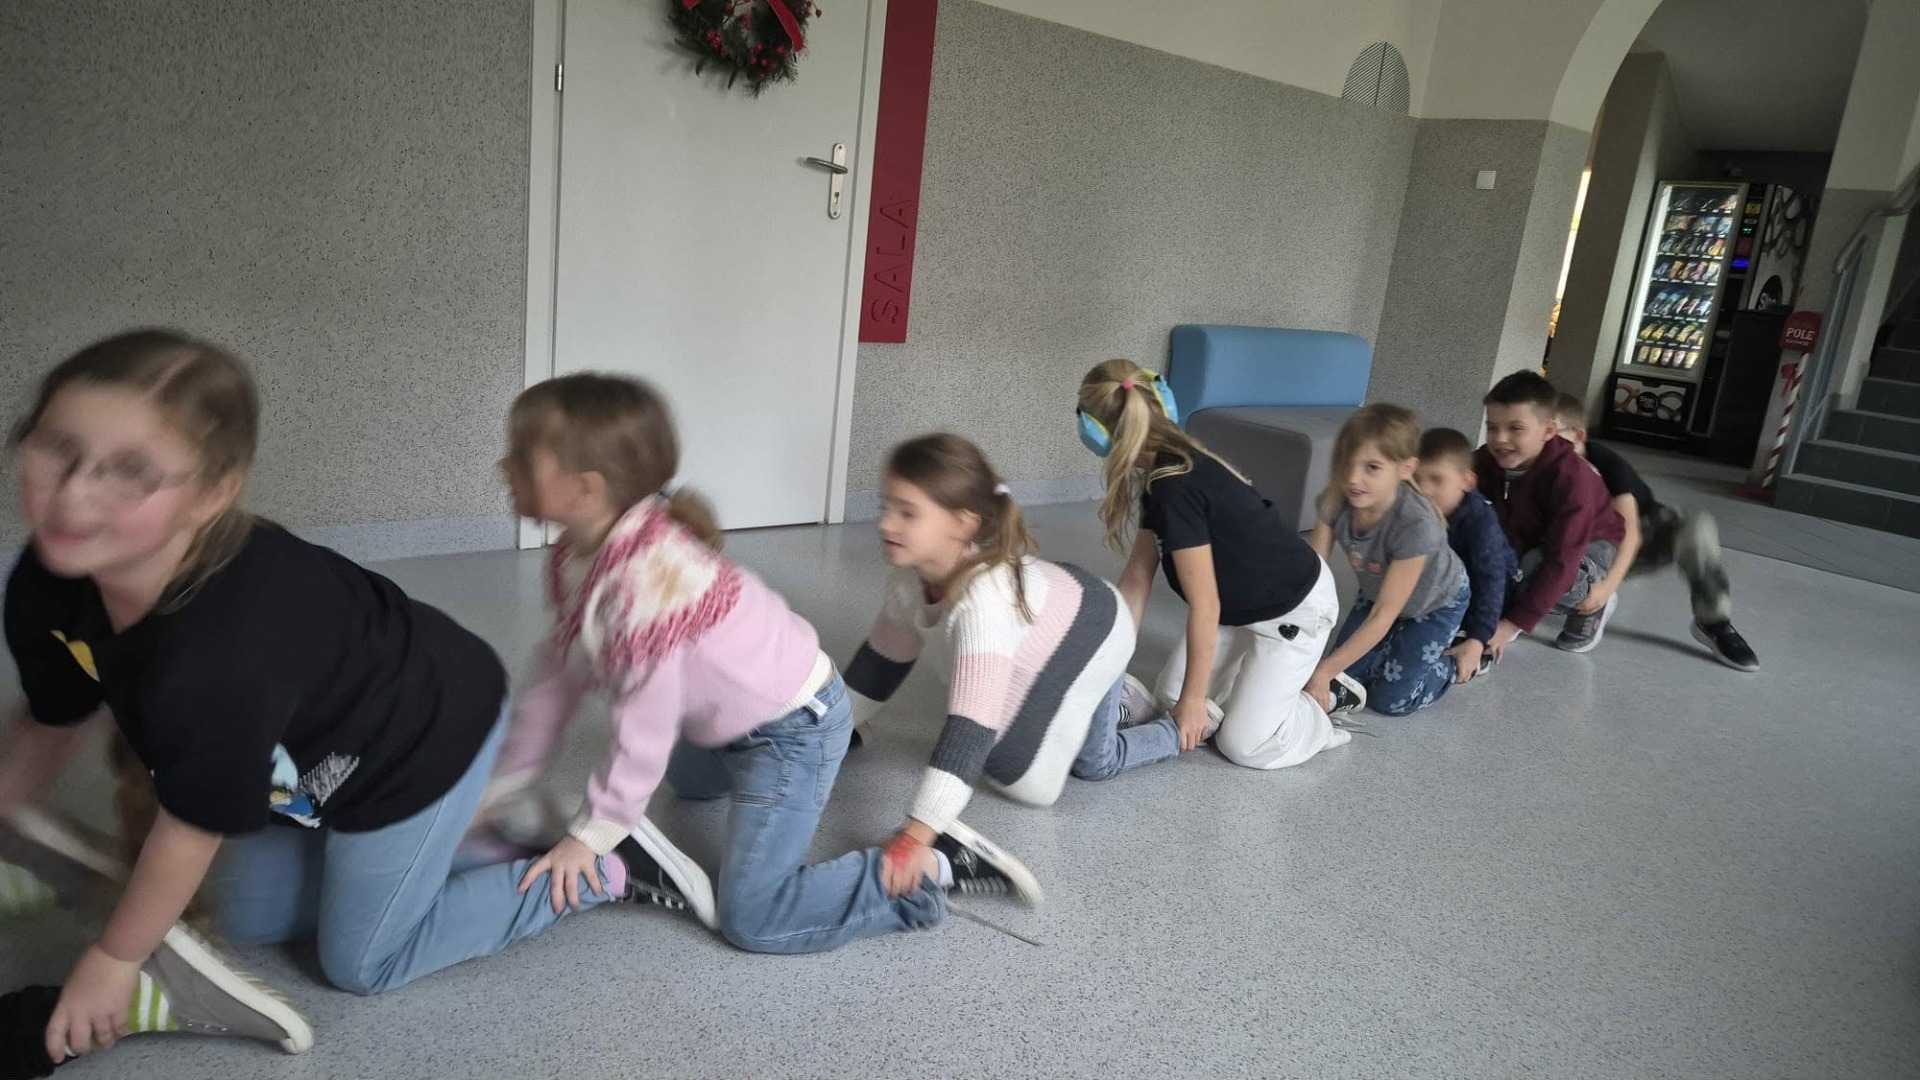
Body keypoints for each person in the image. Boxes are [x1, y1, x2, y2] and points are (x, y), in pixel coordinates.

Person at [0, 330, 678, 1050]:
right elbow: (54, 717)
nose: (74, 493)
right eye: (57, 448)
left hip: (424, 742)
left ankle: (603, 868)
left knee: (364, 961)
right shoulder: (49, 580)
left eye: (131, 470)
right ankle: (473, 842)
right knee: (246, 918)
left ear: (213, 493)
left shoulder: (221, 654)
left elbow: (190, 825)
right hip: (320, 757)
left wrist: (115, 960)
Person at [481, 375, 1035, 957]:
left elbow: (644, 726)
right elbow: (558, 676)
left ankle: (938, 867)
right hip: (724, 723)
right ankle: (635, 836)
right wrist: (507, 784)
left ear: (586, 489)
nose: (504, 466)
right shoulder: (577, 551)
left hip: (793, 730)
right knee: (688, 785)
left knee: (755, 919)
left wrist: (593, 834)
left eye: (522, 457)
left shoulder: (644, 584)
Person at [843, 435, 1176, 894]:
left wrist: (917, 836)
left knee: (1039, 780)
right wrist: (829, 729)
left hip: (1102, 629)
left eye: (907, 512)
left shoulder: (984, 602)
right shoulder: (909, 579)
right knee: (1003, 748)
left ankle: (1173, 729)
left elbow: (969, 730)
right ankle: (1114, 698)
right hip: (1058, 617)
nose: (885, 523)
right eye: (886, 507)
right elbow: (879, 667)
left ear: (962, 524)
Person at [1074, 359, 1355, 770]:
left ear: (1097, 434)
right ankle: (1249, 693)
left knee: (1243, 744)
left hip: (1293, 610)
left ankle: (1321, 706)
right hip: (1239, 608)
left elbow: (1206, 605)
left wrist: (1193, 700)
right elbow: (1136, 579)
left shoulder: (1176, 489)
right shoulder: (1162, 473)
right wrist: (1109, 658)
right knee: (1172, 700)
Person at [1552, 393, 1758, 671]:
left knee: (1697, 526)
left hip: (1636, 541)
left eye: (1552, 435)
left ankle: (1715, 623)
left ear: (1578, 436)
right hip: (1581, 548)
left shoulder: (1608, 466)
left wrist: (1605, 589)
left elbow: (1630, 534)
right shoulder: (1533, 463)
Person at [1307, 405, 1470, 716]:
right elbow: (1310, 575)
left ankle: (1454, 662)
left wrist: (1323, 671)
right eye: (1346, 463)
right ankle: (1389, 654)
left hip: (1435, 603)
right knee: (1347, 677)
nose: (1353, 478)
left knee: (1391, 700)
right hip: (1377, 592)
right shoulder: (1338, 497)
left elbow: (1384, 615)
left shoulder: (1416, 524)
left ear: (1406, 469)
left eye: (1372, 467)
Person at [1476, 370, 1626, 656]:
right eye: (1492, 427)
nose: (1500, 439)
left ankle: (1590, 598)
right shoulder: (1487, 460)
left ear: (1547, 431)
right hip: (1533, 533)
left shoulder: (1571, 479)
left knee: (1535, 565)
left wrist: (1511, 625)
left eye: (1516, 428)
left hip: (1588, 547)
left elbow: (1563, 558)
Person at [1415, 427, 1519, 684]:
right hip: (1444, 583)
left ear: (1466, 481)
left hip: (1491, 590)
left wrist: (1478, 638)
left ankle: (1474, 646)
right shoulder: (1417, 510)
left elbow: (1491, 582)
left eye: (1437, 479)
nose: (1424, 489)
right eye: (1417, 479)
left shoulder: (1480, 522)